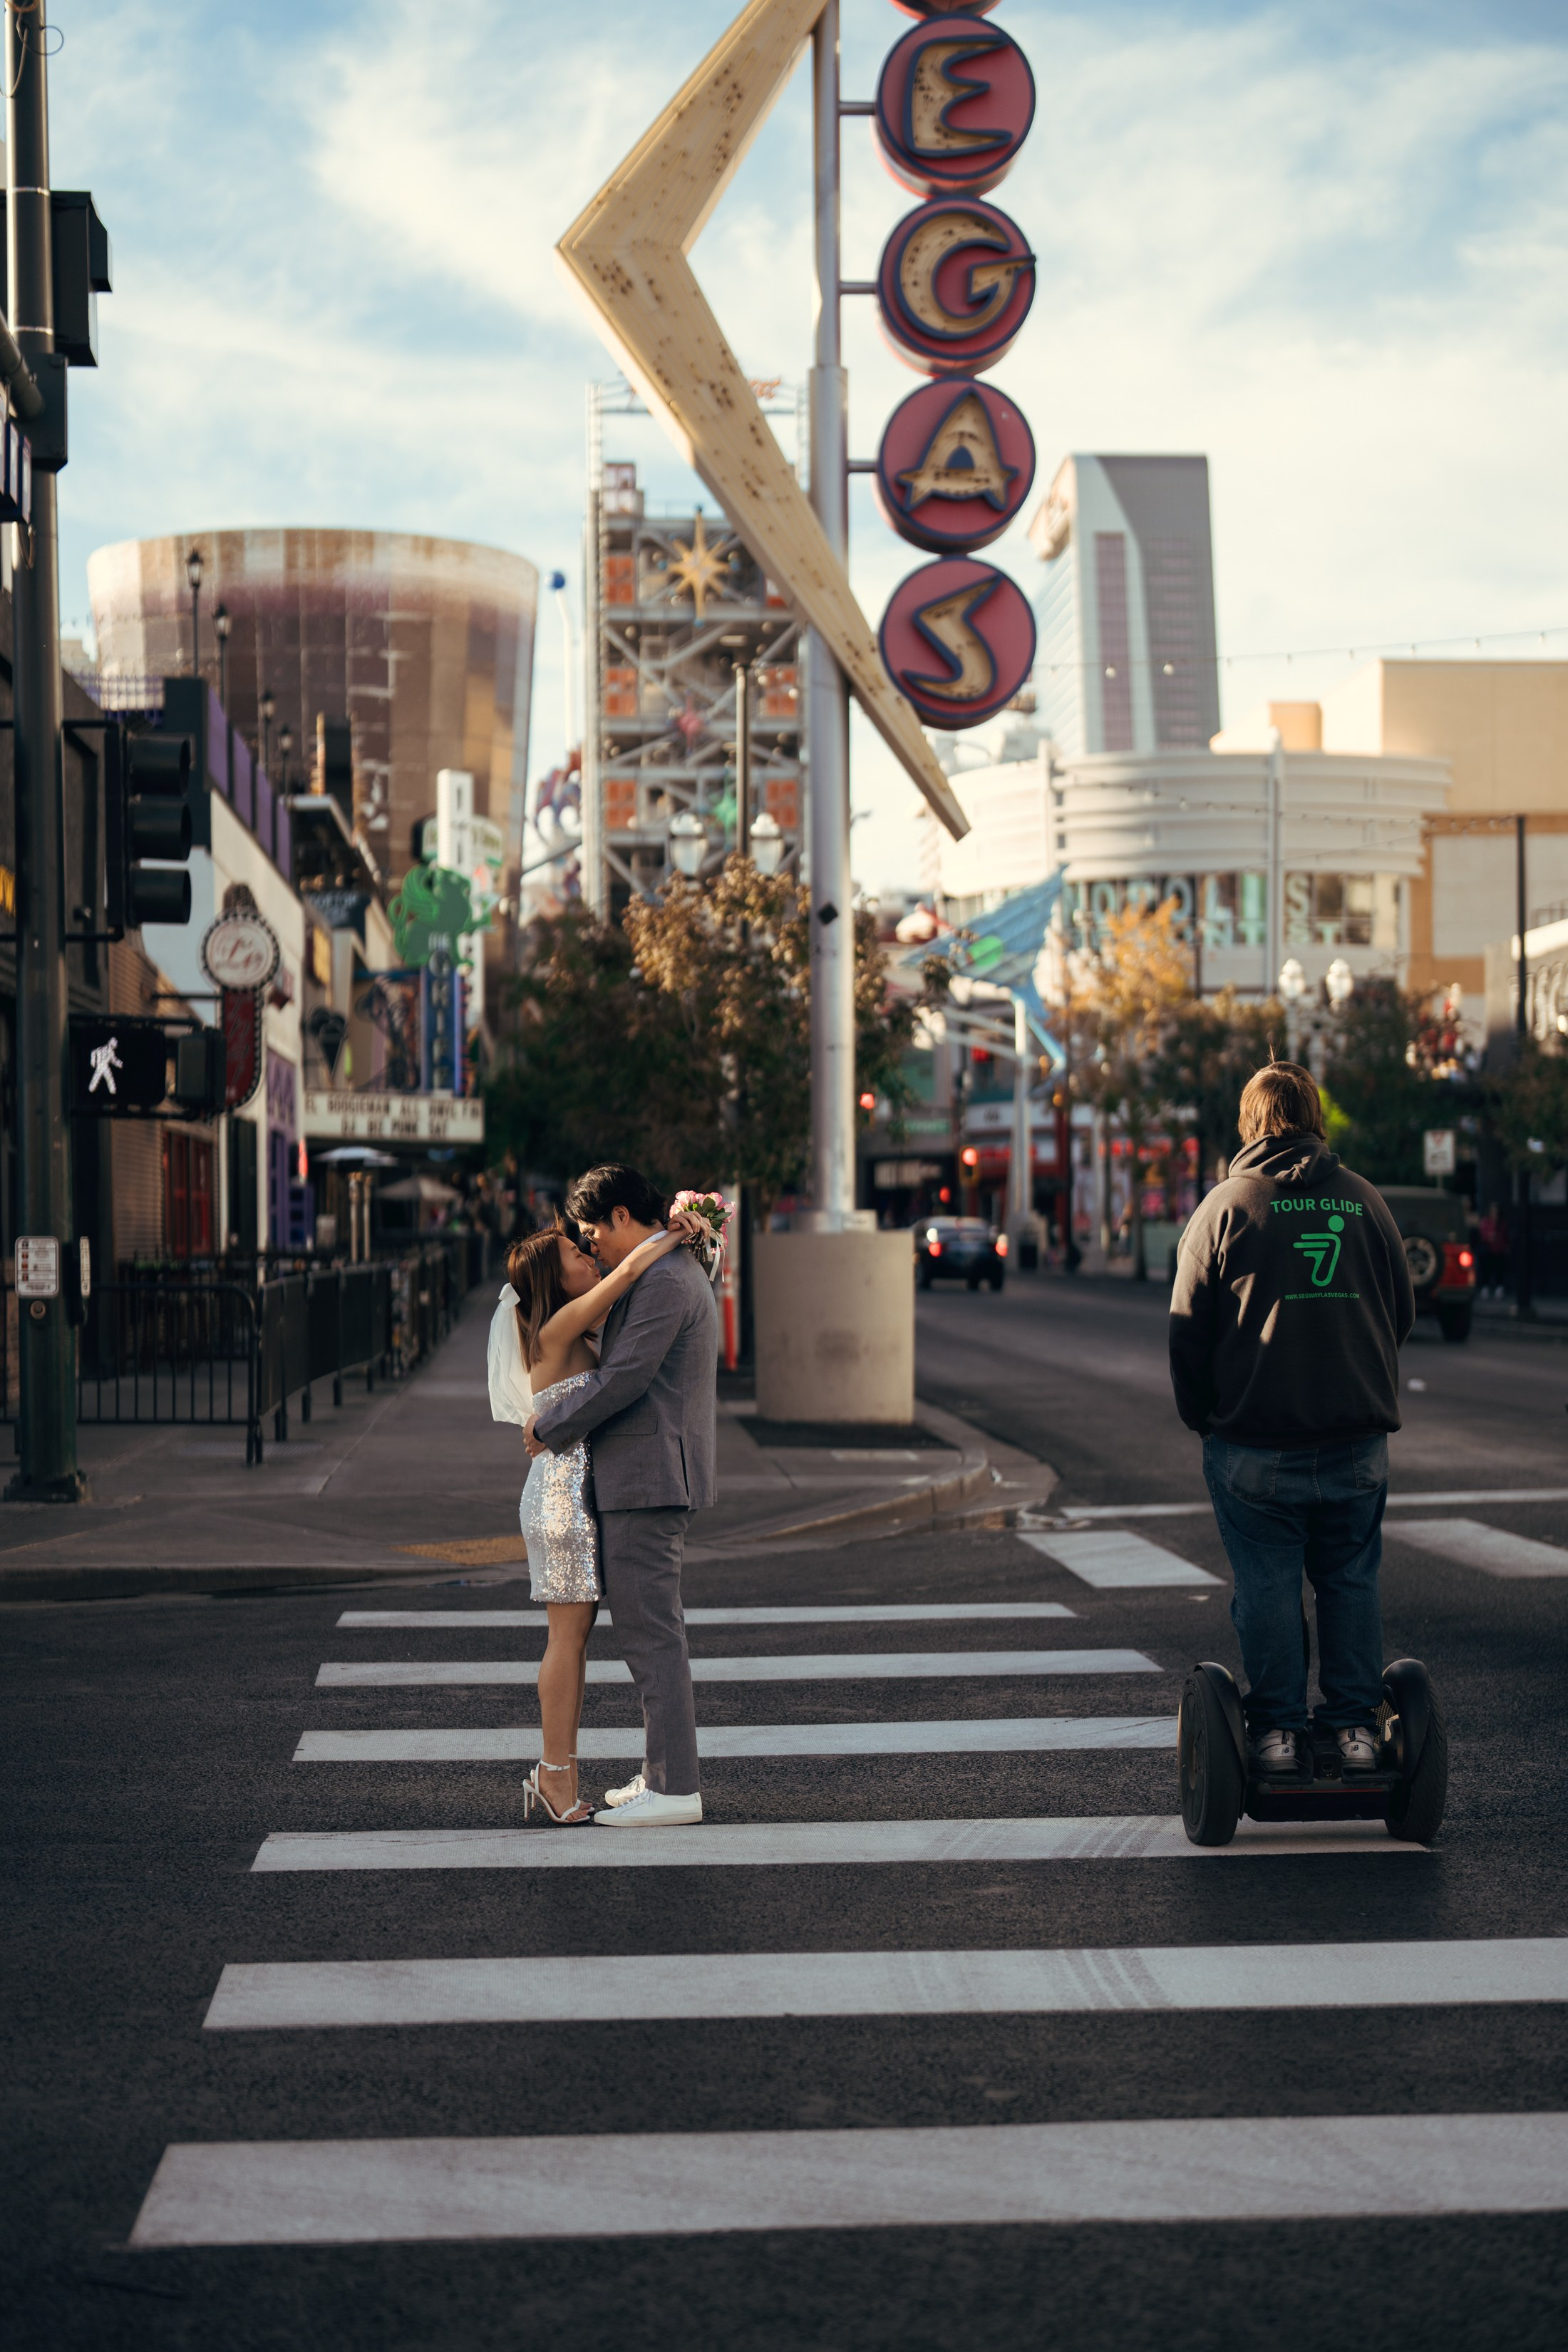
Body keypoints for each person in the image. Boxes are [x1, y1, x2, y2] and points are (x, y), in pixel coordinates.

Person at [1168, 1061, 1415, 1778]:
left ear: (1250, 1122)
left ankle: (1274, 1733)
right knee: (1349, 1581)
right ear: (1315, 1118)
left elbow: (1187, 1330)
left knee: (1269, 1585)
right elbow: (1398, 1314)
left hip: (1254, 1443)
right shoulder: (1365, 1203)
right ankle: (1354, 1732)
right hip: (1355, 1436)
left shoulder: (1222, 1209)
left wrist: (1203, 1415)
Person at [490, 1209, 701, 1825]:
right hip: (562, 1500)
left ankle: (560, 1774)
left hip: (573, 1492)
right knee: (568, 1639)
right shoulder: (558, 1326)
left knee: (574, 1642)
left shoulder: (569, 1327)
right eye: (576, 1257)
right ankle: (554, 1776)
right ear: (556, 1283)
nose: (589, 1257)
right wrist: (683, 1227)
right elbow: (633, 1267)